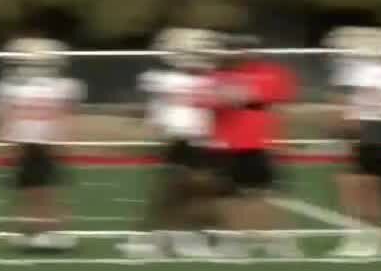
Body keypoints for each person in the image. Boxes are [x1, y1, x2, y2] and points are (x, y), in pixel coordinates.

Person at [123, 28, 219, 259]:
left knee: (194, 190)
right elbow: (150, 108)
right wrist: (153, 125)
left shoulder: (209, 78)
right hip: (178, 139)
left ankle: (179, 235)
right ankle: (153, 235)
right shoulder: (164, 79)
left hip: (200, 139)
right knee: (174, 189)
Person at [205, 33, 299, 258]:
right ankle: (233, 240)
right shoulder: (217, 76)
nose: (242, 53)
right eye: (236, 49)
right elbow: (210, 108)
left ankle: (274, 239)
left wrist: (282, 140)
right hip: (226, 144)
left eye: (246, 49)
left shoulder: (273, 74)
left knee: (265, 194)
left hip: (260, 143)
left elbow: (280, 110)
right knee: (227, 196)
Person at [0, 36, 84, 252]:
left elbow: (63, 117)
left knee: (45, 191)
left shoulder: (61, 87)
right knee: (31, 191)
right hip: (27, 145)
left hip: (44, 145)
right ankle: (34, 231)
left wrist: (63, 142)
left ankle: (48, 230)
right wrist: (7, 146)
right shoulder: (10, 88)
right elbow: (7, 119)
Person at [328, 27, 381, 257]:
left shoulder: (364, 73)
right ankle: (375, 240)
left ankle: (364, 240)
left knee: (360, 187)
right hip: (378, 133)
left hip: (375, 133)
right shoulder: (368, 72)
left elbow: (349, 115)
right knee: (374, 187)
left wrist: (343, 129)